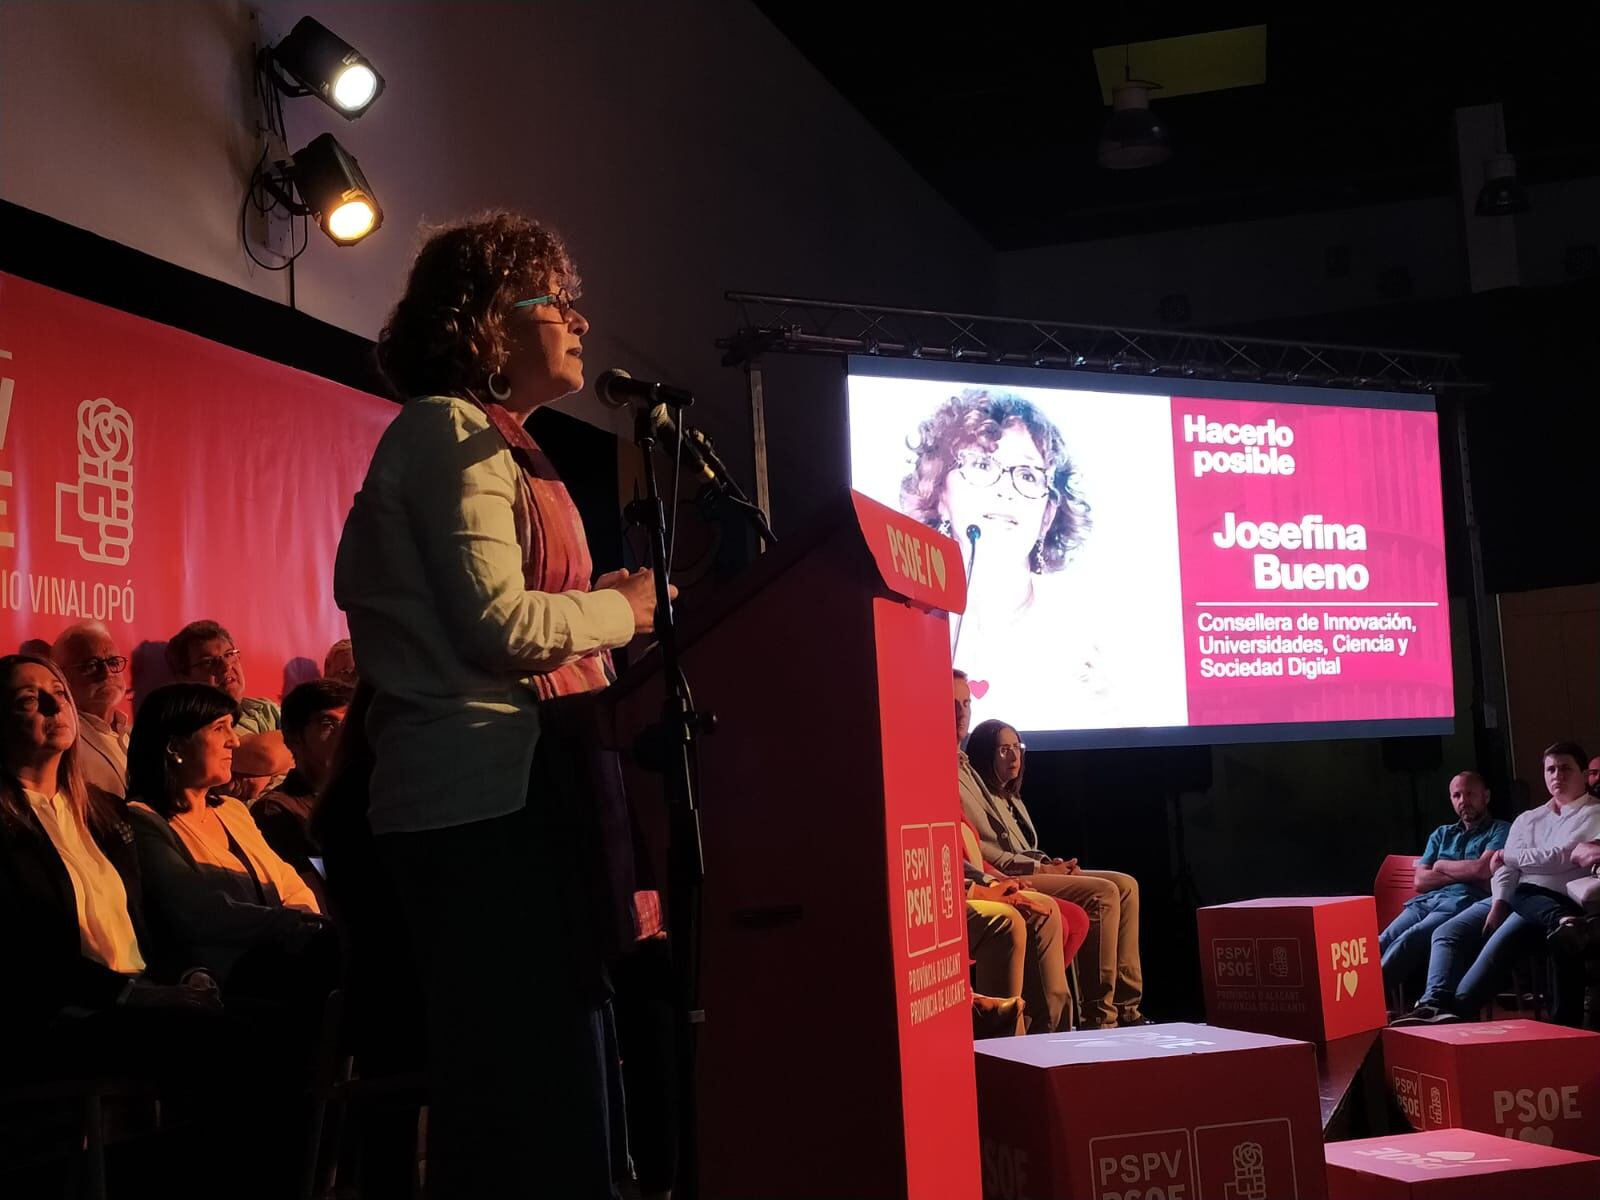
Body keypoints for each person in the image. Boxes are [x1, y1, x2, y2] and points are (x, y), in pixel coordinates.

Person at [333, 211, 669, 1199]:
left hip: (519, 794)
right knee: (528, 1097)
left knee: (558, 1081)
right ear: (489, 320)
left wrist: (605, 609)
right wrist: (624, 606)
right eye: (554, 300)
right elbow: (496, 626)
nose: (578, 319)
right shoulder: (447, 431)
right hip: (479, 806)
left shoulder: (507, 445)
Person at [0, 654, 221, 1038]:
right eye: (28, 700)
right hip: (66, 1014)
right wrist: (132, 995)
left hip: (142, 992)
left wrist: (190, 972)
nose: (56, 706)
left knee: (273, 1018)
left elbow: (147, 912)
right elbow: (25, 953)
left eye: (59, 693)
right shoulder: (6, 824)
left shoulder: (105, 811)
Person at [902, 389, 1108, 727]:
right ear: (938, 492)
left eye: (1027, 475)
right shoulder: (904, 618)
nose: (1005, 489)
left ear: (1048, 514)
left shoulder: (1086, 633)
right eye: (982, 465)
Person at [124, 683, 331, 1001]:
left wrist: (306, 925)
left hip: (286, 963)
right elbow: (198, 912)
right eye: (220, 728)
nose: (234, 741)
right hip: (222, 986)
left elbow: (289, 882)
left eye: (232, 727)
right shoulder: (143, 820)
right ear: (174, 747)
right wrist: (298, 926)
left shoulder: (233, 810)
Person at [961, 702, 1145, 1028]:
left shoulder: (1009, 796)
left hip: (1026, 867)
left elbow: (1021, 847)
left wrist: (1050, 863)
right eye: (1004, 750)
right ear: (985, 752)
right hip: (1005, 873)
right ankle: (1101, 1016)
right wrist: (1041, 870)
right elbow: (992, 855)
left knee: (1125, 884)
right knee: (1102, 894)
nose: (1014, 756)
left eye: (1017, 747)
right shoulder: (970, 778)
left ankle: (1126, 1007)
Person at [1396, 743, 1600, 1026]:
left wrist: (1510, 857)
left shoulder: (1594, 813)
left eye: (1565, 768)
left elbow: (1561, 857)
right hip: (1512, 896)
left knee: (1473, 986)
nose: (1557, 775)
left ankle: (1453, 1014)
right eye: (1550, 769)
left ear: (1584, 773)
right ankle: (1433, 1002)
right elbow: (1504, 869)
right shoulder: (1529, 818)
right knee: (1448, 932)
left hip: (1555, 898)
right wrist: (1499, 902)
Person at [949, 675, 1076, 1032]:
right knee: (1018, 918)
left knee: (1118, 886)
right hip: (975, 882)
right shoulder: (940, 766)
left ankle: (1067, 1030)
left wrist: (1043, 865)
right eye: (1004, 749)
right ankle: (1021, 1044)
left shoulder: (966, 768)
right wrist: (989, 883)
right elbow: (980, 850)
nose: (961, 712)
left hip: (988, 875)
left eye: (966, 703)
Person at [1377, 772, 1509, 1000]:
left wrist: (1440, 865)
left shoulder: (1501, 829)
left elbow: (1482, 869)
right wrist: (1463, 873)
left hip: (1462, 903)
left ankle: (1369, 999)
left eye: (1470, 794)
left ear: (1486, 796)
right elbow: (1420, 881)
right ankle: (1354, 1001)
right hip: (1424, 902)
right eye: (1456, 795)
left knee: (1410, 938)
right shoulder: (1441, 834)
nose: (1463, 801)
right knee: (1382, 940)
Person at [253, 676, 352, 890]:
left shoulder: (375, 794)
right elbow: (311, 894)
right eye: (328, 724)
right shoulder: (276, 810)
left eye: (348, 723)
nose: (344, 734)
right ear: (293, 739)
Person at [49, 620, 132, 798]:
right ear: (61, 676)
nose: (107, 673)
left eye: (113, 662)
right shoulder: (63, 738)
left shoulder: (134, 733)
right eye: (91, 665)